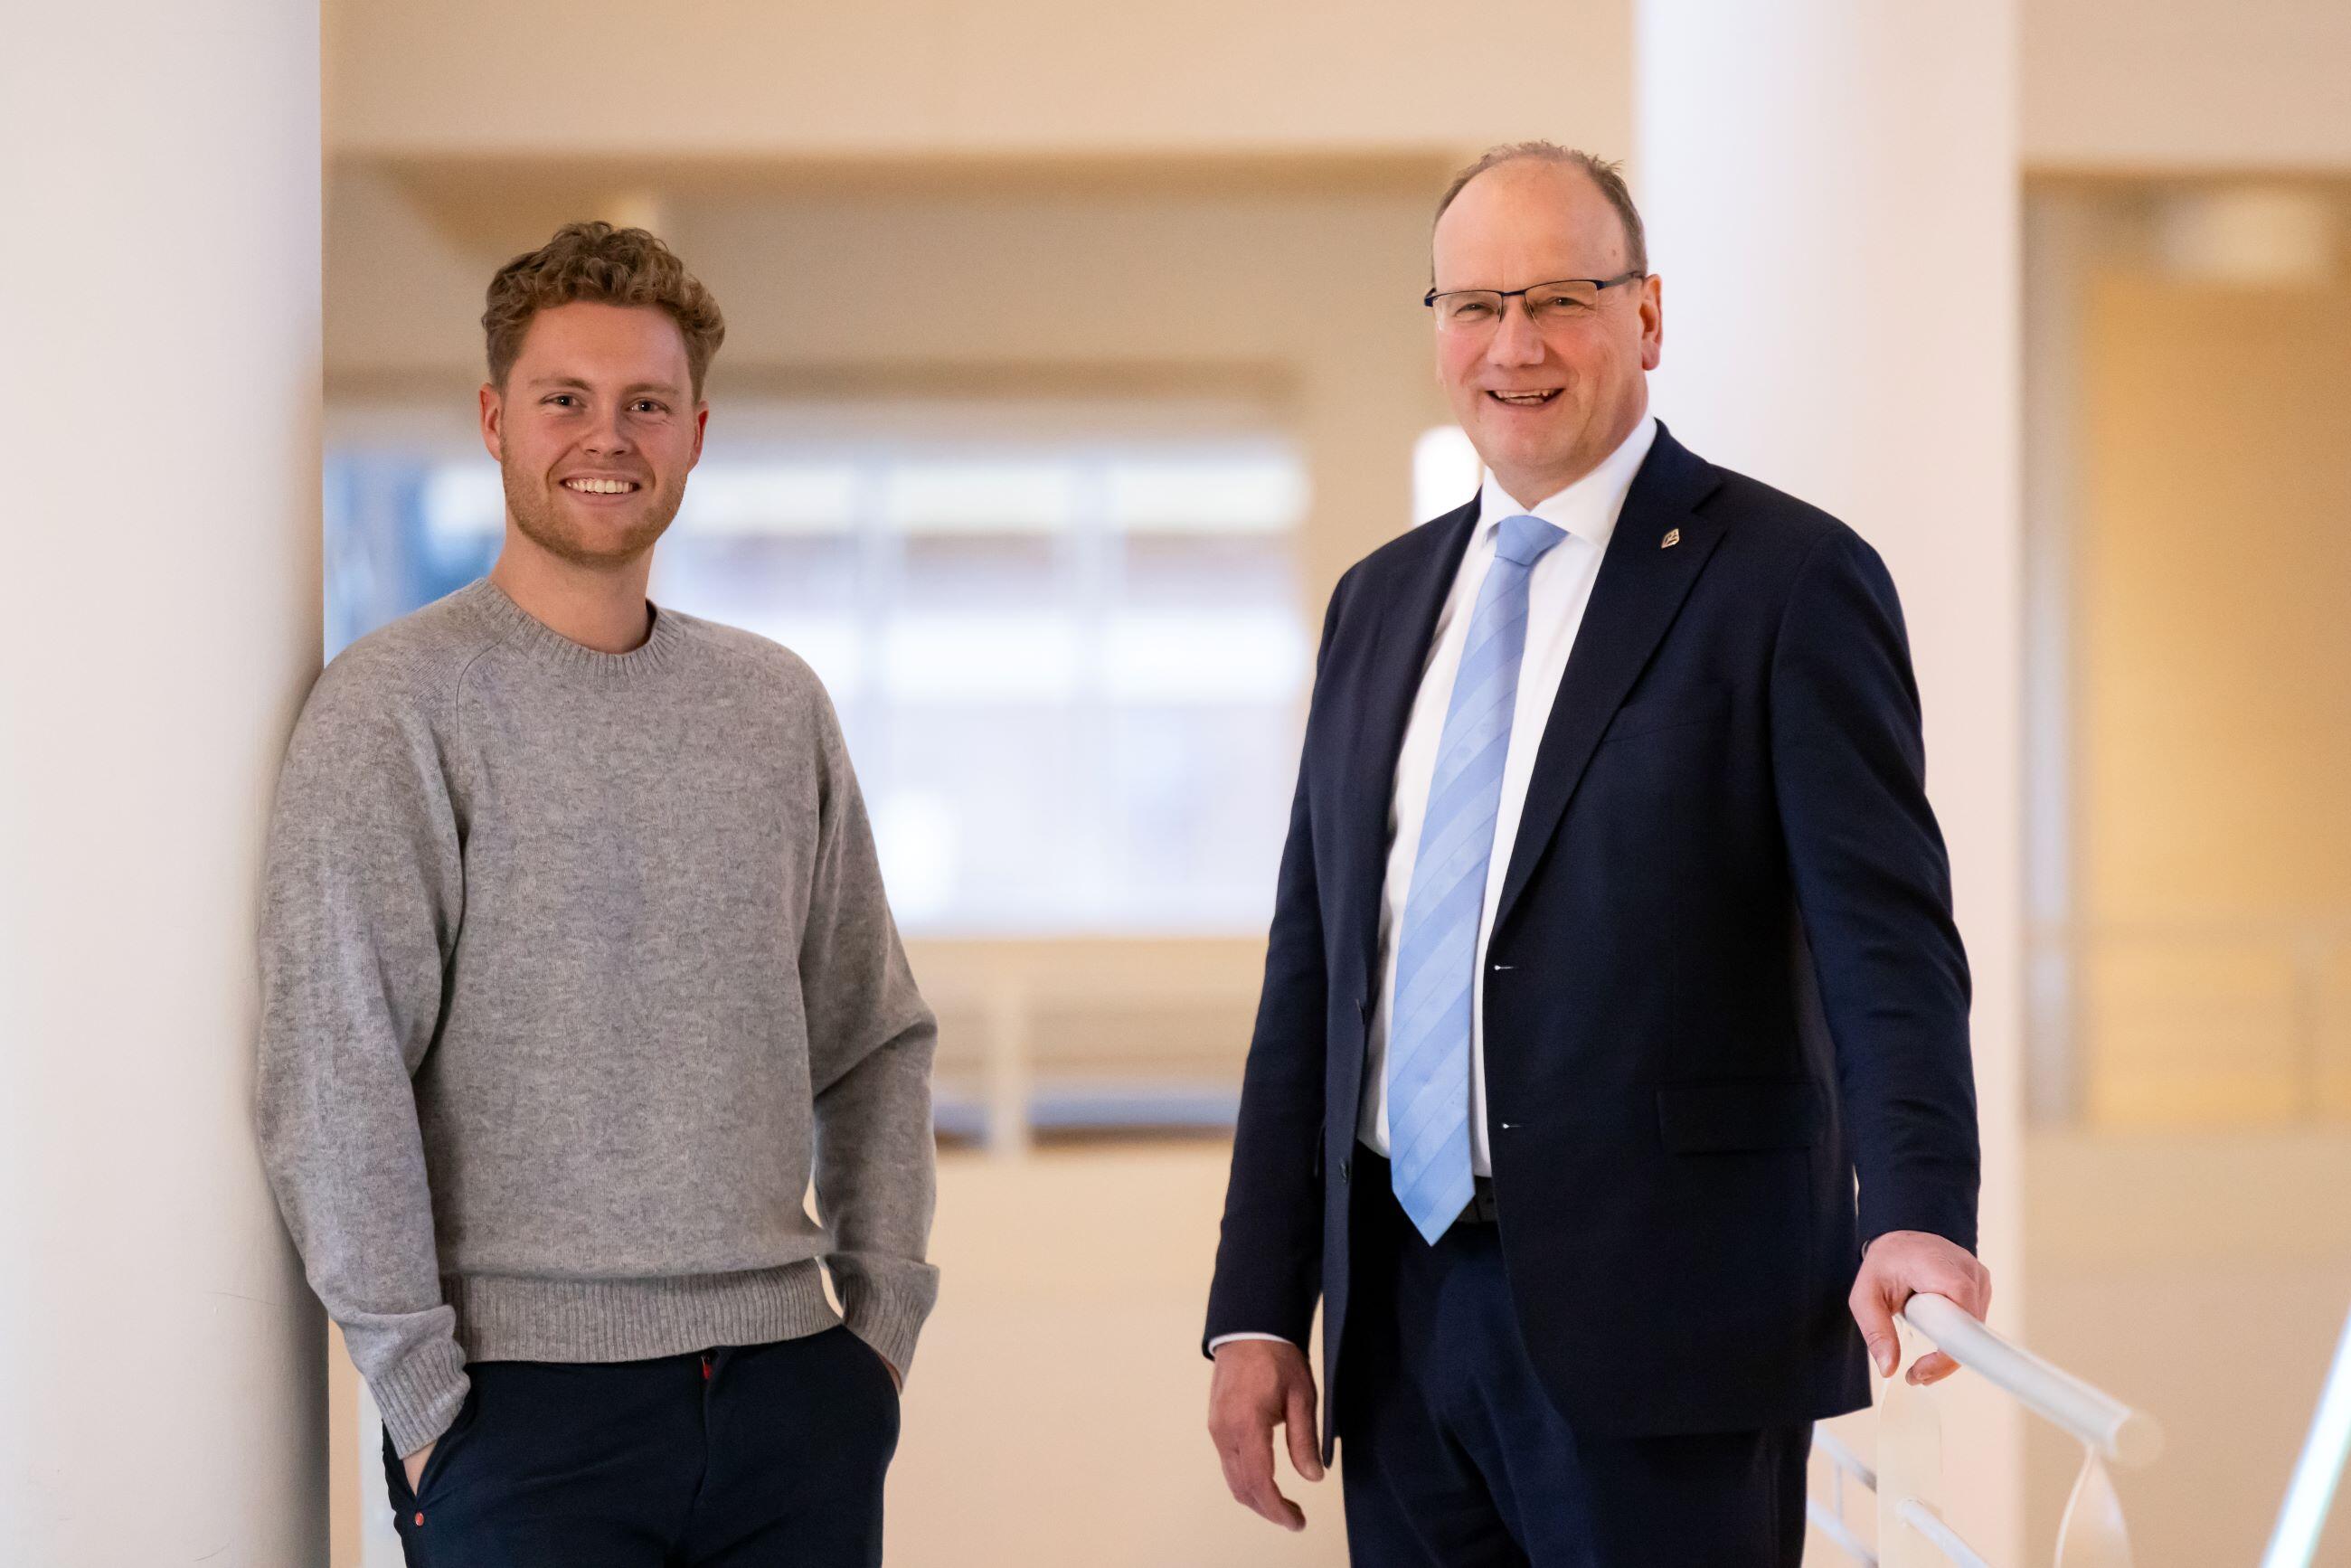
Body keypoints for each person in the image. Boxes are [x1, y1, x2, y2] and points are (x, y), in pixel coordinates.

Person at [1202, 144, 1990, 1566]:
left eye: (1561, 297)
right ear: (1437, 327)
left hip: (1673, 1322)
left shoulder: (1788, 581)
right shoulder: (1376, 604)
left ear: (1650, 316)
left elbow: (1890, 945)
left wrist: (1921, 1212)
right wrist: (1260, 1302)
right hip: (1400, 1314)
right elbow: (1313, 968)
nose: (1515, 346)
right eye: (1474, 305)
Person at [256, 222, 937, 1566]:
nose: (606, 436)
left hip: (793, 1390)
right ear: (497, 419)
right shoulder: (395, 706)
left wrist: (877, 1337)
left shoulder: (772, 705)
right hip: (518, 1414)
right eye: (565, 399)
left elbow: (874, 1035)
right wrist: (424, 1401)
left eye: (646, 404)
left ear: (695, 433)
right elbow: (335, 1070)